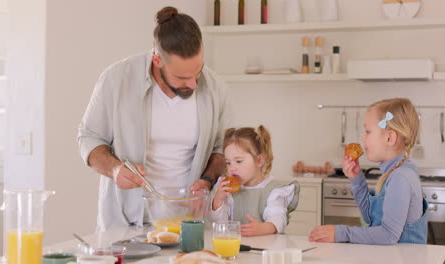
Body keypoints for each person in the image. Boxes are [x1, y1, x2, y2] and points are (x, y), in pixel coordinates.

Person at [78, 6, 231, 231]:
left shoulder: (215, 85)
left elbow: (221, 149)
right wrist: (115, 170)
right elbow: (88, 139)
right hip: (126, 225)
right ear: (157, 60)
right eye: (182, 77)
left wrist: (207, 181)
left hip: (191, 224)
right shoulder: (116, 79)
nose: (193, 84)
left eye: (197, 72)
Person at [309, 98, 428, 245]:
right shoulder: (393, 173)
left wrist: (340, 233)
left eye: (367, 131)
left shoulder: (400, 177)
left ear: (389, 138)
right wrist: (356, 178)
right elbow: (369, 218)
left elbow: (388, 235)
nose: (362, 138)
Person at [210, 126, 300, 237]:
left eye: (238, 161)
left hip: (264, 248)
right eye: (228, 162)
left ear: (259, 161)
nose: (232, 168)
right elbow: (220, 223)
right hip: (236, 246)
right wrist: (218, 200)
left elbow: (278, 219)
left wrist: (263, 228)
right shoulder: (230, 190)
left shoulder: (273, 190)